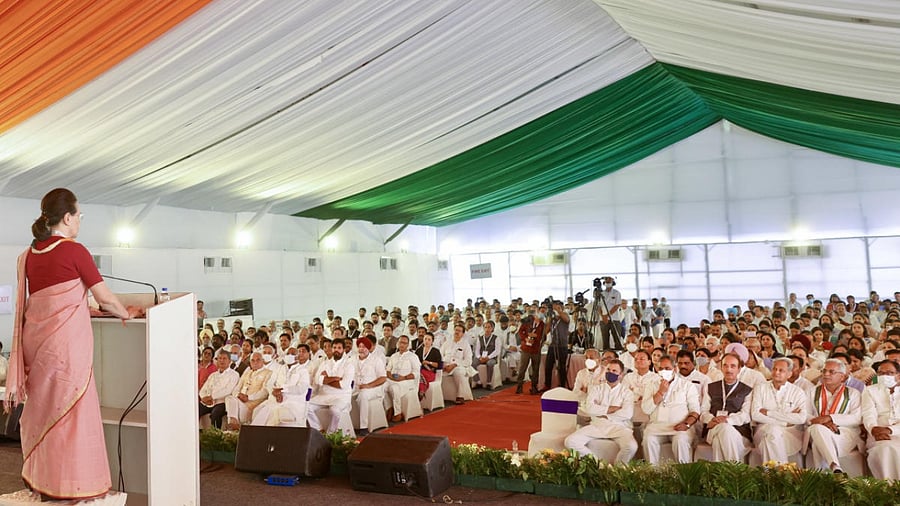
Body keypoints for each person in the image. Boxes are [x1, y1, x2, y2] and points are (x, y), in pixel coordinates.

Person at [7, 188, 137, 501]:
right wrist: (126, 313)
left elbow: (49, 304)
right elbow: (105, 297)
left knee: (45, 413)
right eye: (78, 215)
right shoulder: (74, 251)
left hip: (36, 349)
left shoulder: (29, 255)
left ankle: (46, 483)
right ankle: (74, 486)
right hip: (66, 351)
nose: (79, 221)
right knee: (73, 415)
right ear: (67, 217)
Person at [564, 359, 637, 463]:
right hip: (598, 425)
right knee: (570, 441)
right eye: (608, 369)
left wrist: (604, 414)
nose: (610, 373)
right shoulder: (596, 389)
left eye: (614, 371)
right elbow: (589, 408)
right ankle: (598, 464)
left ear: (621, 375)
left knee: (631, 447)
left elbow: (627, 413)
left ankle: (618, 469)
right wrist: (610, 409)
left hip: (619, 427)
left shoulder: (627, 392)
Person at [805, 358, 862, 473]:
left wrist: (830, 418)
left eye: (831, 372)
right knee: (817, 429)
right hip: (817, 429)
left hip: (844, 434)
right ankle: (835, 467)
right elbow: (804, 414)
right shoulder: (811, 391)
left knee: (817, 444)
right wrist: (823, 423)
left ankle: (823, 481)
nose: (826, 374)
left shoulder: (853, 393)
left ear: (842, 376)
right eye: (824, 371)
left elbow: (857, 418)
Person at [641, 356, 701, 464]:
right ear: (657, 370)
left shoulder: (687, 385)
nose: (664, 371)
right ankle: (651, 474)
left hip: (680, 426)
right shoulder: (651, 385)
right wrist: (660, 392)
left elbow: (695, 410)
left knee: (680, 441)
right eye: (661, 369)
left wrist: (686, 424)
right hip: (657, 426)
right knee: (648, 439)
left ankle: (684, 475)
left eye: (667, 368)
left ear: (675, 368)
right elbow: (646, 409)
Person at [750, 357, 809, 463]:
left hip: (791, 434)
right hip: (762, 431)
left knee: (771, 435)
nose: (776, 372)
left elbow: (801, 418)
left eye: (781, 370)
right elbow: (755, 415)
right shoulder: (760, 388)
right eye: (774, 369)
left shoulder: (797, 392)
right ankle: (781, 473)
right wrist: (786, 421)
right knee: (772, 431)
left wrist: (769, 413)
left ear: (789, 374)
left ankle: (770, 474)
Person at [699, 353, 753, 462]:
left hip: (739, 432)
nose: (728, 369)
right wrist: (712, 419)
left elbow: (746, 415)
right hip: (712, 427)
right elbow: (703, 411)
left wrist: (727, 421)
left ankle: (721, 475)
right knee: (724, 429)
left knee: (720, 438)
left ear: (739, 369)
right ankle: (734, 471)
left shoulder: (747, 390)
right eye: (725, 365)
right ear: (721, 368)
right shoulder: (711, 387)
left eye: (733, 366)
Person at [252, 346, 311, 427]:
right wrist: (275, 392)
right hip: (277, 400)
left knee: (272, 413)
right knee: (259, 410)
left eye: (292, 354)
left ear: (297, 357)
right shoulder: (281, 368)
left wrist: (282, 390)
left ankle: (263, 436)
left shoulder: (303, 371)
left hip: (293, 404)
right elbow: (271, 383)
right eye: (288, 354)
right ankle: (254, 435)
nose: (289, 355)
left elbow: (301, 389)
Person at [861, 359, 900, 480]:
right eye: (881, 373)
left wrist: (890, 430)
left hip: (896, 433)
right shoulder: (870, 390)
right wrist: (874, 429)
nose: (884, 376)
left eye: (889, 373)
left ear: (898, 375)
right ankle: (889, 490)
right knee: (885, 449)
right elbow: (868, 414)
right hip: (877, 435)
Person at [307, 340, 355, 433]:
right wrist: (335, 378)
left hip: (341, 396)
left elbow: (343, 385)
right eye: (334, 348)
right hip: (324, 395)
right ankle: (319, 429)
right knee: (306, 406)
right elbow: (317, 380)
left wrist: (326, 379)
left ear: (344, 350)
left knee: (335, 410)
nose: (336, 350)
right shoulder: (325, 363)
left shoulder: (349, 365)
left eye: (339, 348)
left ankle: (331, 433)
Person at [224, 352, 272, 429]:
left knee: (231, 403)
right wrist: (238, 395)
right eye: (253, 360)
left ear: (263, 361)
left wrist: (248, 397)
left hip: (253, 407)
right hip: (240, 403)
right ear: (250, 362)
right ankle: (234, 423)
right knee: (229, 398)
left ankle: (233, 427)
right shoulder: (247, 372)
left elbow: (265, 392)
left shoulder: (268, 373)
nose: (255, 362)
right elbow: (237, 388)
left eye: (258, 360)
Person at [199, 350, 241, 429]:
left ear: (229, 361)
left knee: (216, 413)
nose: (222, 360)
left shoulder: (234, 374)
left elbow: (228, 390)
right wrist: (204, 398)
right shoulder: (213, 375)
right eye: (220, 358)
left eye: (224, 358)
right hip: (208, 401)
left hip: (223, 402)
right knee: (195, 410)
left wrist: (212, 397)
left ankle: (215, 436)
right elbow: (203, 389)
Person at [353, 338, 387, 436]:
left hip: (373, 388)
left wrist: (368, 385)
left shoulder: (376, 360)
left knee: (363, 396)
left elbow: (383, 378)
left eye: (364, 347)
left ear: (368, 348)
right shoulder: (352, 359)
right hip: (356, 387)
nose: (361, 349)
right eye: (359, 347)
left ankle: (363, 426)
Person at [385, 336, 421, 422]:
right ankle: (389, 407)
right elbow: (388, 370)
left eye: (404, 343)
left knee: (395, 388)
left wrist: (403, 378)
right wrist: (391, 378)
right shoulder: (393, 356)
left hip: (407, 381)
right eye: (400, 342)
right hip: (393, 379)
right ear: (397, 343)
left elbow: (416, 373)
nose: (402, 345)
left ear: (408, 345)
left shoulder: (413, 356)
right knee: (382, 386)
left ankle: (398, 413)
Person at [544, 300, 571, 390]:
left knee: (561, 367)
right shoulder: (553, 318)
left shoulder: (565, 315)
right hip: (552, 345)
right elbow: (546, 331)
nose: (554, 308)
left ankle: (562, 385)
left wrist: (559, 311)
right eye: (554, 307)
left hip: (562, 345)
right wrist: (550, 319)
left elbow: (567, 319)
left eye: (557, 306)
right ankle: (547, 385)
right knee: (548, 366)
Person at [516, 315, 543, 394]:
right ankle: (519, 386)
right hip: (526, 348)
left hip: (536, 349)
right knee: (522, 368)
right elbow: (521, 331)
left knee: (535, 369)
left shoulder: (542, 325)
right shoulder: (528, 321)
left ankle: (534, 386)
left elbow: (544, 336)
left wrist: (536, 336)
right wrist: (526, 338)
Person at [416, 332, 442, 401]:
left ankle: (421, 391)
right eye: (425, 339)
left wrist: (428, 362)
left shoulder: (436, 351)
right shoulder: (419, 350)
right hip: (419, 371)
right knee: (417, 375)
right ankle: (420, 392)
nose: (427, 341)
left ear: (432, 341)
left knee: (420, 375)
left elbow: (438, 365)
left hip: (430, 373)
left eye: (429, 339)